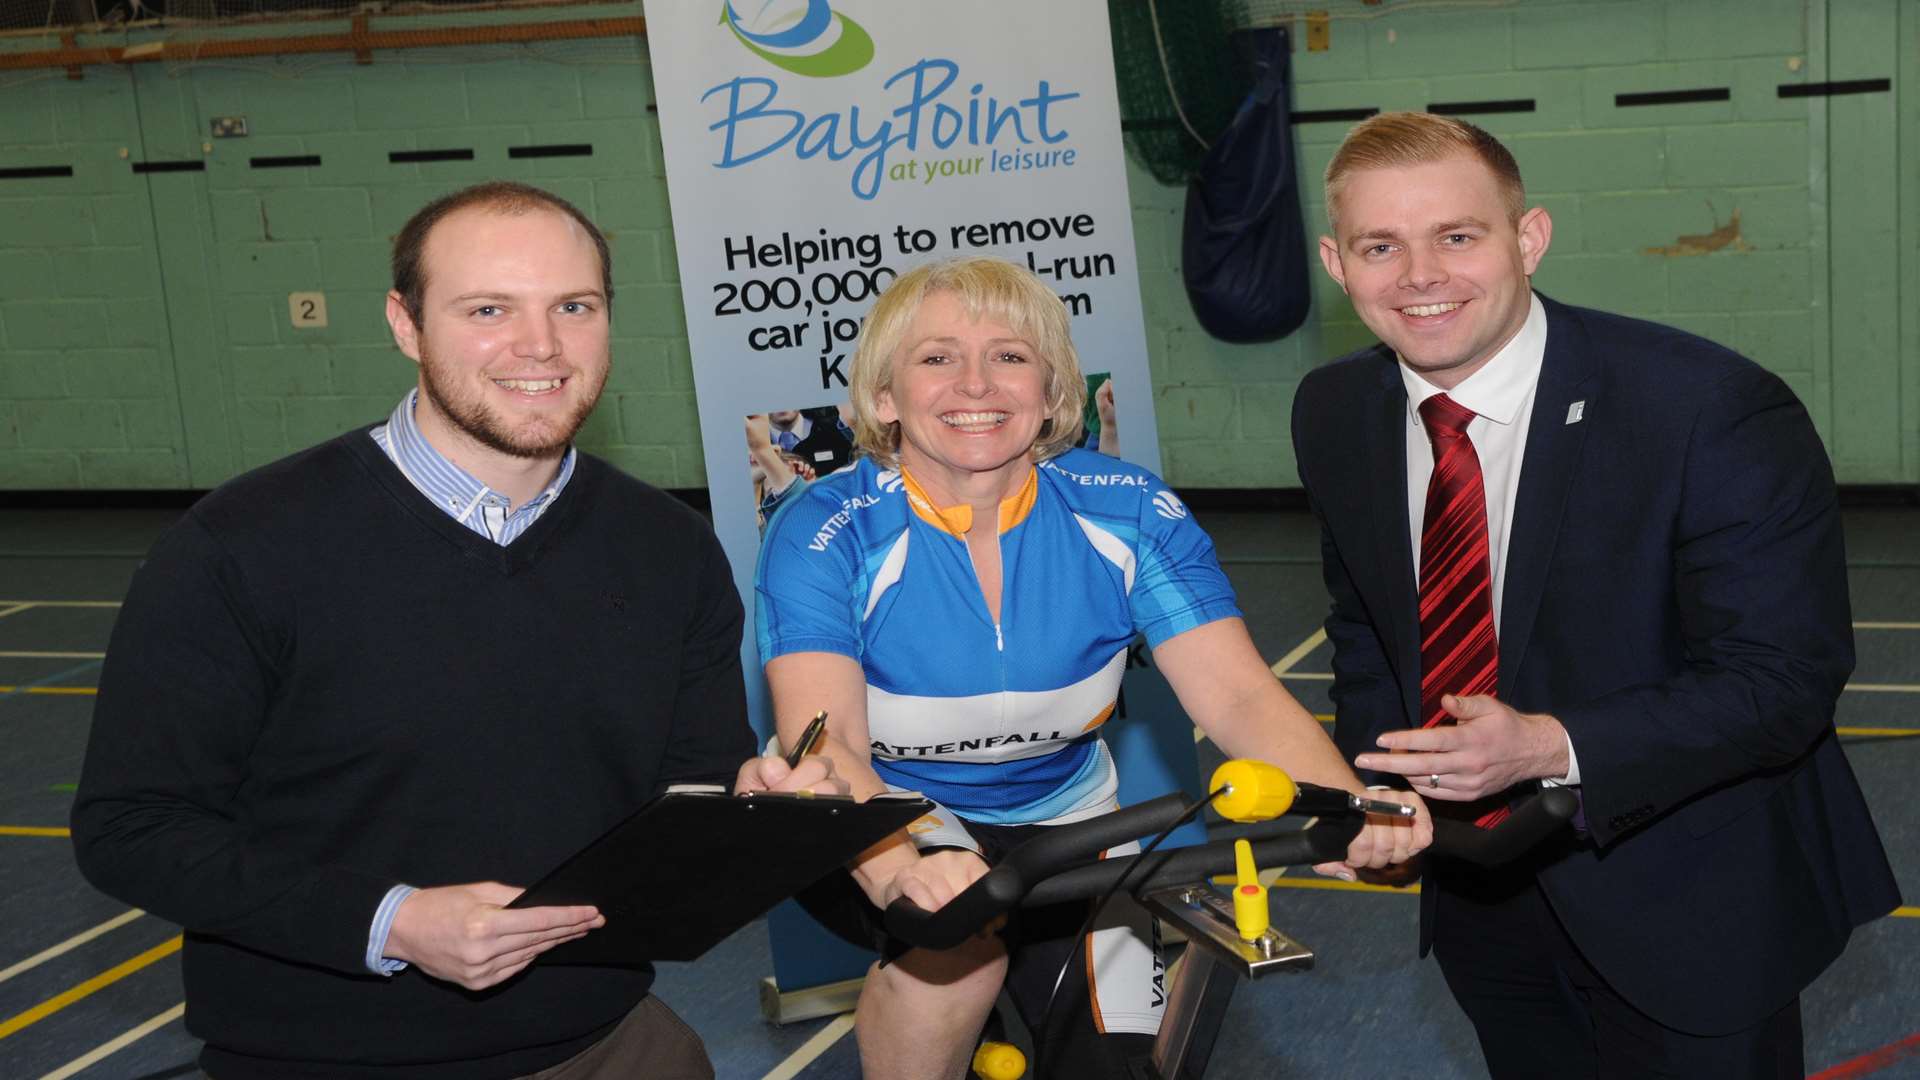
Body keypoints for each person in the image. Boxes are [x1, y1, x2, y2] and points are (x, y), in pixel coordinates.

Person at [70, 181, 838, 1080]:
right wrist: (392, 921)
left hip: (607, 1041)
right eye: (488, 309)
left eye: (574, 307)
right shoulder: (240, 546)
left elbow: (689, 790)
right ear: (406, 324)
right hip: (325, 1058)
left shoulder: (669, 548)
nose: (540, 346)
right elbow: (131, 826)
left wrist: (749, 815)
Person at [1294, 112, 1901, 1076]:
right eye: (1380, 245)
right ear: (1337, 261)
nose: (1419, 275)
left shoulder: (1706, 408)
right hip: (1481, 897)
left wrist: (1546, 745)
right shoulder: (1334, 411)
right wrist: (1378, 786)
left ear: (1528, 237)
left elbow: (1784, 680)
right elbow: (1369, 626)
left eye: (1457, 235)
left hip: (1689, 892)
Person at [753, 256, 1432, 1079]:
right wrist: (908, 872)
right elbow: (830, 750)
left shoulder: (1128, 507)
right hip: (888, 822)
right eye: (937, 358)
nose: (977, 383)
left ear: (1051, 391)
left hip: (1077, 822)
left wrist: (1347, 806)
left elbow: (1237, 692)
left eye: (1010, 355)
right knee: (955, 964)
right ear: (885, 397)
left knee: (1121, 1057)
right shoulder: (827, 529)